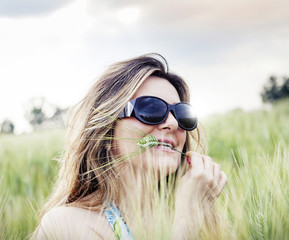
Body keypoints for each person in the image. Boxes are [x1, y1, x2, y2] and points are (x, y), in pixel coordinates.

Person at [33, 53, 227, 240]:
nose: (173, 123)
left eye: (182, 113)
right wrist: (187, 223)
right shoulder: (68, 224)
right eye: (150, 109)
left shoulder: (198, 211)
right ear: (107, 132)